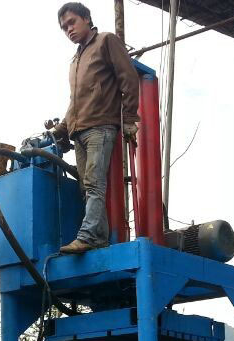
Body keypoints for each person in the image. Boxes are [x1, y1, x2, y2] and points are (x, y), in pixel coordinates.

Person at [54, 3, 140, 254]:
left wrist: (130, 117)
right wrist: (62, 129)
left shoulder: (106, 41)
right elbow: (75, 101)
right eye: (64, 27)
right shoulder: (75, 60)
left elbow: (128, 77)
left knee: (93, 183)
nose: (68, 30)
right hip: (79, 130)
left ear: (86, 19)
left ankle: (89, 235)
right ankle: (98, 236)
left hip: (100, 125)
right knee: (86, 187)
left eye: (72, 22)